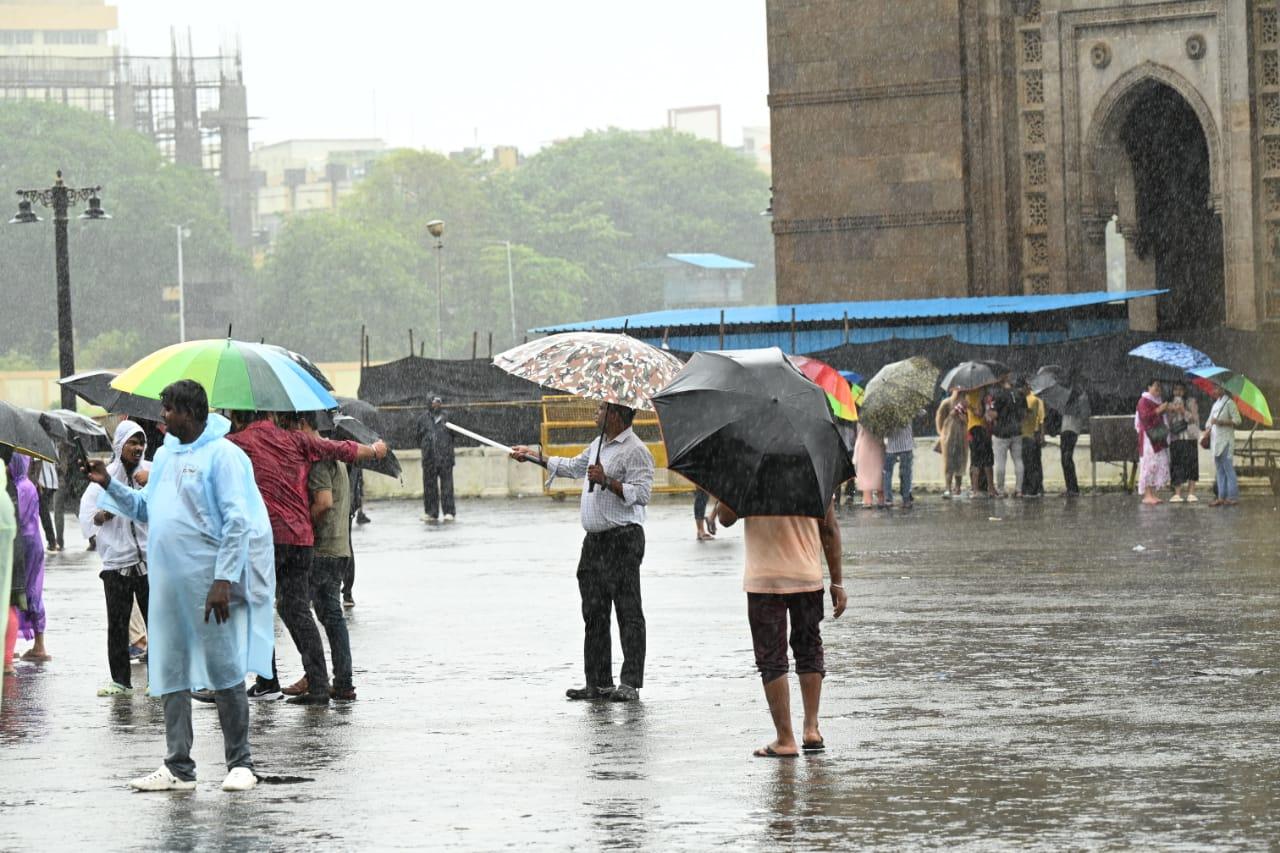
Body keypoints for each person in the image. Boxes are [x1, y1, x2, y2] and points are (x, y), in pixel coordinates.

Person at [86, 380, 274, 792]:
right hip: (166, 585)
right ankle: (178, 766)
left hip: (209, 585)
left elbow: (237, 521)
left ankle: (240, 762)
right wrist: (108, 484)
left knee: (223, 670)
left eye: (168, 409)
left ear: (189, 412)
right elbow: (143, 508)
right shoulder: (168, 456)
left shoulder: (222, 455)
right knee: (168, 671)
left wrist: (223, 579)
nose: (162, 417)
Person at [226, 410, 386, 705]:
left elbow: (206, 459)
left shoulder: (238, 443)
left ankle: (256, 680)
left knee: (251, 606)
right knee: (295, 608)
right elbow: (338, 448)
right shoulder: (297, 440)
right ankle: (318, 684)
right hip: (301, 538)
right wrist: (373, 451)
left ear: (237, 418)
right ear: (272, 414)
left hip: (269, 537)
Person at [511, 402, 654, 702]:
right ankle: (599, 682)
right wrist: (536, 457)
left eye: (601, 409)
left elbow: (641, 495)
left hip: (623, 540)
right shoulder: (599, 443)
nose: (596, 413)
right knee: (594, 612)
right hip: (594, 543)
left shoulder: (636, 450)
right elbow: (574, 467)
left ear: (615, 415)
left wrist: (608, 481)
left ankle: (630, 683)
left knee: (628, 612)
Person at [714, 498, 845, 758]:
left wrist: (730, 487)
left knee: (771, 657)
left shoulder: (749, 469)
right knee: (809, 648)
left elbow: (725, 519)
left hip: (765, 579)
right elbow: (829, 528)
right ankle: (811, 729)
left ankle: (785, 739)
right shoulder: (813, 466)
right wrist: (837, 582)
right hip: (806, 577)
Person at [282, 412, 356, 701]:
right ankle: (336, 679)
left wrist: (303, 525)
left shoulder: (319, 459)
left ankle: (322, 678)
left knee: (299, 610)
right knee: (327, 615)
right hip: (339, 547)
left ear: (301, 425)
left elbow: (323, 502)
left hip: (323, 548)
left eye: (289, 427)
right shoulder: (333, 454)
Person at [78, 421, 150, 696]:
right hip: (117, 565)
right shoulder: (102, 479)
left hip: (148, 563)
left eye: (141, 442)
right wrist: (102, 516)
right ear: (119, 445)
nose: (137, 448)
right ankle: (120, 681)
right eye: (132, 442)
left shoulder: (151, 472)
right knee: (118, 626)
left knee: (156, 623)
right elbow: (88, 518)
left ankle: (158, 678)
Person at [7, 453, 49, 662]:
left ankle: (28, 645)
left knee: (16, 592)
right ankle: (36, 644)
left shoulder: (17, 488)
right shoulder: (28, 484)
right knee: (31, 591)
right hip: (32, 543)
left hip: (21, 545)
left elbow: (15, 517)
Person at [415, 396, 455, 523]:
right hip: (429, 459)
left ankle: (449, 512)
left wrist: (445, 448)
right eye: (434, 402)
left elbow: (454, 435)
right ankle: (431, 512)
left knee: (447, 487)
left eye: (438, 402)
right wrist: (427, 448)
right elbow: (418, 437)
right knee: (429, 487)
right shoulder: (422, 419)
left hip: (445, 458)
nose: (436, 405)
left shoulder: (447, 417)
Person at [1135, 378, 1171, 505]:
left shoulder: (1157, 401)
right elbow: (1145, 418)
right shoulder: (1143, 401)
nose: (1158, 390)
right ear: (1148, 387)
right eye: (1156, 386)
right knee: (1149, 464)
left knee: (1157, 463)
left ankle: (1152, 493)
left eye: (1160, 387)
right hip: (1148, 439)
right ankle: (1147, 494)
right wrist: (1159, 410)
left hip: (1157, 437)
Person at [1204, 384, 1241, 507]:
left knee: (1228, 469)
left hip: (1226, 441)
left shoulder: (1229, 403)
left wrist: (1221, 422)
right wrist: (1208, 427)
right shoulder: (1215, 404)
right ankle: (1221, 497)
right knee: (1220, 470)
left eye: (1216, 388)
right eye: (1213, 388)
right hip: (1215, 441)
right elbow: (1209, 421)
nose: (1214, 391)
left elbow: (1237, 420)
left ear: (1223, 389)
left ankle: (1232, 497)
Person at [990, 375, 1026, 498]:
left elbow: (993, 415)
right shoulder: (1019, 394)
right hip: (1017, 432)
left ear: (1001, 381)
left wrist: (989, 412)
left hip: (1002, 432)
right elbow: (1024, 414)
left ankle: (1000, 490)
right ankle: (1019, 490)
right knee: (1018, 460)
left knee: (1000, 462)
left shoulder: (998, 395)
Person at [2, 455, 20, 681]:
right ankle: (6, 659)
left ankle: (6, 659)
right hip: (13, 557)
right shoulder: (9, 492)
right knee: (8, 605)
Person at [1167, 381, 1201, 503]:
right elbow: (1167, 422)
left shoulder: (1191, 402)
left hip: (1190, 437)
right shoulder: (1169, 404)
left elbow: (1195, 419)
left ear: (1185, 391)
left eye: (1181, 389)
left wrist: (1183, 411)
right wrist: (1172, 410)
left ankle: (1191, 492)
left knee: (1192, 464)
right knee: (1177, 464)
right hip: (1176, 438)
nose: (1178, 392)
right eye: (1176, 389)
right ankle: (1177, 493)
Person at [935, 389, 968, 498]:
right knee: (949, 463)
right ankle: (948, 488)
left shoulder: (966, 403)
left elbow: (970, 418)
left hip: (962, 436)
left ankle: (958, 488)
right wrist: (941, 433)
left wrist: (964, 419)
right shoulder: (946, 403)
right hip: (948, 436)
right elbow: (939, 418)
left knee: (960, 462)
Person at [964, 387, 995, 497]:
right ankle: (985, 489)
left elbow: (982, 413)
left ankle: (977, 489)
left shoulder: (971, 395)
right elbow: (979, 412)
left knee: (978, 461)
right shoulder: (978, 395)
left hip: (977, 429)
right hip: (978, 429)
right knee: (985, 461)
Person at [1059, 388, 1088, 497]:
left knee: (1066, 459)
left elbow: (1083, 415)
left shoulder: (1079, 403)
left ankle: (1073, 488)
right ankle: (1071, 487)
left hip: (1071, 432)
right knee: (1065, 460)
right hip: (1065, 431)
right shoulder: (1066, 403)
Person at [1020, 381, 1045, 497]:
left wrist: (1041, 435)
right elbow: (1041, 420)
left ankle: (1033, 487)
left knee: (1030, 462)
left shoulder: (1034, 400)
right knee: (1034, 462)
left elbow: (1041, 420)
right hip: (1031, 434)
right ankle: (1037, 486)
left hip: (1031, 434)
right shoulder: (1035, 400)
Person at [31, 458, 61, 553]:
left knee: (43, 513)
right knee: (43, 512)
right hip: (51, 481)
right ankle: (52, 542)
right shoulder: (46, 444)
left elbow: (37, 463)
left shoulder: (35, 444)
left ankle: (52, 542)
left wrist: (35, 481)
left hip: (42, 483)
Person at [881, 422, 914, 508]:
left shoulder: (886, 411)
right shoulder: (908, 409)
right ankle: (906, 499)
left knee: (887, 473)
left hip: (891, 447)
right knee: (906, 473)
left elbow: (884, 430)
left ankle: (888, 499)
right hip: (906, 446)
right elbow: (922, 412)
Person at [853, 426, 884, 507]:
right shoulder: (880, 421)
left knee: (866, 477)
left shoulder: (862, 419)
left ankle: (867, 501)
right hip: (877, 445)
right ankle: (881, 500)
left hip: (865, 447)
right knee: (879, 476)